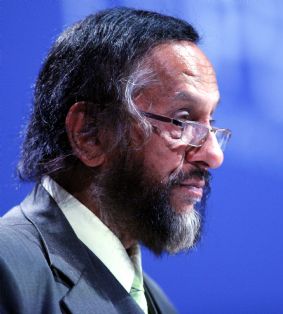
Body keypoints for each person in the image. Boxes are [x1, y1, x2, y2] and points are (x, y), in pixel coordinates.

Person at [0, 7, 231, 314]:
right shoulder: (8, 269)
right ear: (90, 134)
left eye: (211, 122)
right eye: (182, 121)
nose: (214, 155)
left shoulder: (159, 304)